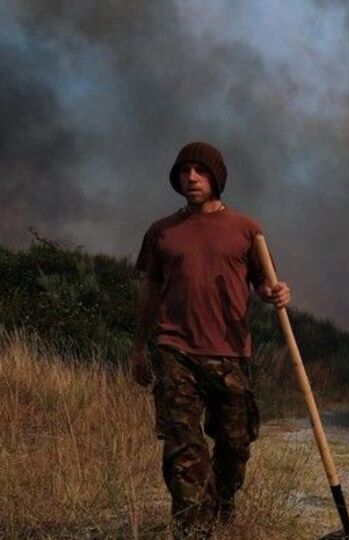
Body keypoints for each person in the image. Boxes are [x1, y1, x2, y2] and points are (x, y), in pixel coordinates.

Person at [130, 141, 291, 538]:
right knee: (184, 447)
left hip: (230, 353)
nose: (191, 177)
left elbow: (263, 283)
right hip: (175, 350)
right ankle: (192, 528)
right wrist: (138, 347)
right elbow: (149, 290)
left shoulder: (247, 230)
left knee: (234, 445)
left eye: (200, 171)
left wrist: (276, 293)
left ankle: (222, 505)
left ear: (216, 178)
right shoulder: (161, 233)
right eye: (184, 171)